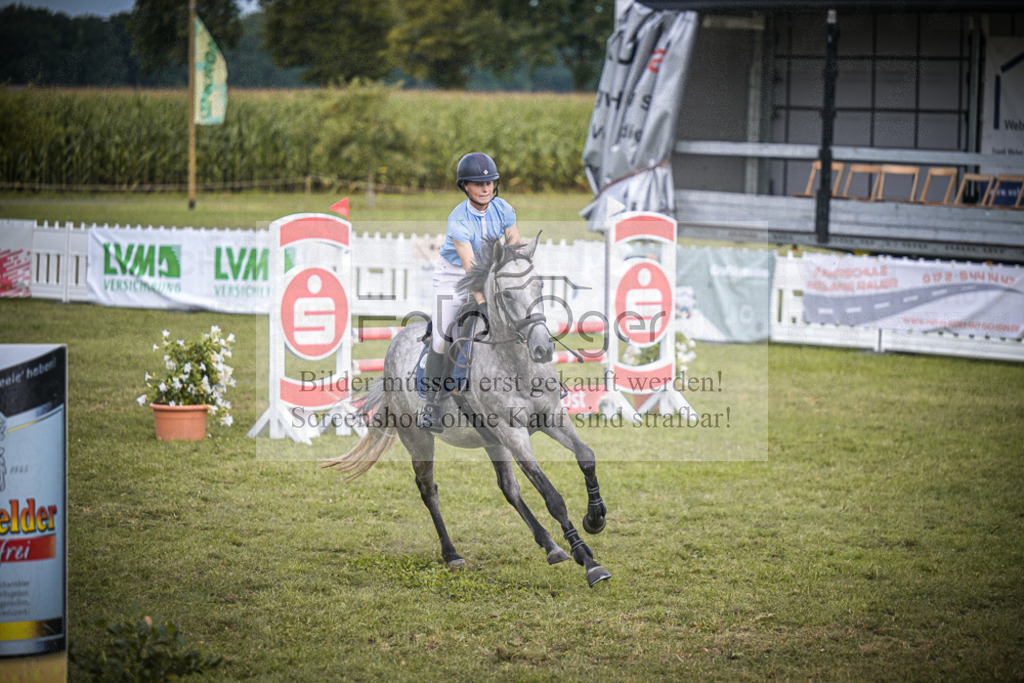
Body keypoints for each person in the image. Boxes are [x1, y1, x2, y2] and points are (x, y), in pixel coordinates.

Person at [418, 152, 520, 432]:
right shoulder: (457, 219)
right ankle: (432, 406)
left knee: (523, 317)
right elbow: (469, 268)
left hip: (491, 272)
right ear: (465, 186)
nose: (486, 188)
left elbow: (515, 250)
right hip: (454, 275)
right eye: (478, 184)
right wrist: (484, 304)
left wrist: (515, 284)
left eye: (489, 183)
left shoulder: (504, 209)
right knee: (441, 337)